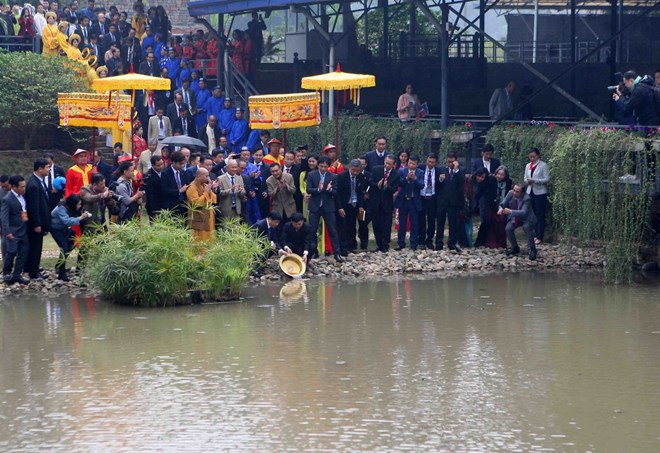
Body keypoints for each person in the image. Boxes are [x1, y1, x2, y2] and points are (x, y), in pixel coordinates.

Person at [306, 156, 343, 261]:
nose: (323, 169)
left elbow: (336, 192)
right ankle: (314, 252)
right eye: (321, 166)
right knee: (312, 230)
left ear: (328, 166)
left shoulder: (333, 176)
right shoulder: (311, 175)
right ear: (318, 165)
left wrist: (329, 190)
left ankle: (337, 253)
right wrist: (318, 189)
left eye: (325, 167)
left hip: (328, 206)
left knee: (332, 230)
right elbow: (309, 189)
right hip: (315, 206)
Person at [50, 194, 91, 281]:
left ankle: (59, 265)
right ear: (73, 203)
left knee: (71, 244)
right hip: (55, 228)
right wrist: (80, 217)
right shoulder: (62, 208)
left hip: (63, 228)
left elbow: (76, 218)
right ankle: (61, 273)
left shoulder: (71, 208)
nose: (79, 206)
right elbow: (66, 221)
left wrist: (83, 215)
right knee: (64, 247)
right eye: (78, 204)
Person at [25, 158, 52, 280]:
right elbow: (33, 207)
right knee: (35, 247)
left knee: (36, 246)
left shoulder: (39, 182)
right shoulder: (34, 184)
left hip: (41, 220)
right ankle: (33, 272)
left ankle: (33, 267)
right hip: (36, 223)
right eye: (47, 167)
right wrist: (36, 224)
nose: (49, 169)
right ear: (40, 169)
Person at [1, 176, 29, 285]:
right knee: (11, 251)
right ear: (13, 187)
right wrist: (7, 232)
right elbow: (4, 217)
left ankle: (17, 274)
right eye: (21, 187)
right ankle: (7, 272)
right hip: (13, 231)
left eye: (24, 186)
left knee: (23, 253)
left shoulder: (23, 196)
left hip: (23, 230)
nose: (24, 188)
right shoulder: (7, 199)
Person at [335, 159, 367, 255]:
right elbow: (337, 193)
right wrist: (340, 207)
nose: (355, 173)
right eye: (353, 170)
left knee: (352, 226)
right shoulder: (341, 176)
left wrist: (361, 206)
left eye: (357, 171)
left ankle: (351, 246)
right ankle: (343, 247)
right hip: (344, 205)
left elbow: (360, 192)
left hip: (354, 204)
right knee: (343, 226)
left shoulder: (360, 177)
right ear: (350, 168)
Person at [369, 155, 400, 253]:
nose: (387, 165)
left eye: (389, 164)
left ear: (393, 165)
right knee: (376, 224)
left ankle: (385, 245)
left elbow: (394, 189)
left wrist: (387, 187)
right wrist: (377, 185)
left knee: (386, 225)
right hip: (376, 202)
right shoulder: (376, 170)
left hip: (387, 203)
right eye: (386, 163)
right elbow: (370, 182)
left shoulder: (396, 174)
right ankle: (379, 244)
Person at [498, 183, 538, 260]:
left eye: (517, 191)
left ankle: (532, 249)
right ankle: (515, 248)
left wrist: (510, 211)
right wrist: (500, 208)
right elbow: (503, 203)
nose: (515, 193)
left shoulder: (527, 198)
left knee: (527, 227)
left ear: (522, 192)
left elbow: (524, 212)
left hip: (526, 218)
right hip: (514, 217)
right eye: (514, 190)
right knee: (508, 228)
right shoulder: (510, 193)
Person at [436, 152, 464, 253]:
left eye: (452, 162)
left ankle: (452, 243)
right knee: (440, 223)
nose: (450, 163)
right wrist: (440, 179)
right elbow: (437, 185)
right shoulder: (441, 169)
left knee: (453, 223)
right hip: (442, 201)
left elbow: (461, 183)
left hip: (454, 202)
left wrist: (456, 170)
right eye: (448, 161)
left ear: (456, 161)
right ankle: (439, 243)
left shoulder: (461, 170)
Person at [394, 155, 424, 250]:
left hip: (414, 201)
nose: (411, 165)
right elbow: (399, 183)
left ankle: (413, 244)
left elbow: (422, 185)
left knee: (414, 223)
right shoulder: (402, 171)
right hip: (403, 200)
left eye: (413, 164)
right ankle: (401, 243)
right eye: (410, 163)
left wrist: (415, 179)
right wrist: (407, 178)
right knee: (402, 223)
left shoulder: (420, 172)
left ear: (417, 164)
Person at [523, 147, 550, 245]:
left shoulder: (543, 165)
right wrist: (528, 181)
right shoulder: (527, 166)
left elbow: (547, 179)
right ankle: (533, 234)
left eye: (534, 156)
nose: (532, 159)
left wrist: (535, 181)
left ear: (538, 156)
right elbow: (525, 178)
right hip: (530, 191)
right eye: (530, 157)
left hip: (540, 193)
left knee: (540, 214)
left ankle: (539, 236)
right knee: (532, 214)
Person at [186, 167, 219, 240]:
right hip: (198, 219)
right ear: (199, 176)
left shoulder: (204, 185)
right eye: (206, 176)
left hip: (208, 217)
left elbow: (214, 200)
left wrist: (211, 188)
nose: (208, 178)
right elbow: (196, 203)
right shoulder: (192, 188)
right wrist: (206, 193)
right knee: (200, 242)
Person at [486, 165, 513, 249]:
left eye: (502, 175)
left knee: (502, 223)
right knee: (492, 223)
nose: (499, 176)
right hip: (493, 204)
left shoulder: (508, 182)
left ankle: (501, 242)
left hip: (503, 205)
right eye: (498, 174)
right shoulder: (491, 180)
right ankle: (491, 242)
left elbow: (509, 195)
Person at [160, 150, 191, 217]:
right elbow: (164, 190)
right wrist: (179, 191)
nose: (182, 166)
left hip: (183, 204)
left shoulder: (184, 173)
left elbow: (188, 185)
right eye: (180, 164)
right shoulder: (165, 173)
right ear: (173, 162)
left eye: (183, 164)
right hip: (171, 205)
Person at [418, 153, 439, 250]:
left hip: (432, 198)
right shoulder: (421, 168)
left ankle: (429, 240)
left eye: (432, 162)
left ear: (435, 163)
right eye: (428, 161)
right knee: (421, 220)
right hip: (422, 197)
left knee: (431, 220)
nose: (430, 164)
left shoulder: (439, 171)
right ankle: (421, 240)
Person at [472, 167, 498, 248]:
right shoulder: (473, 180)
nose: (480, 178)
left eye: (482, 177)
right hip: (477, 200)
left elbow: (492, 194)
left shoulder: (490, 180)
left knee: (486, 220)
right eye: (479, 176)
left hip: (487, 201)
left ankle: (481, 240)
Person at [144, 155, 165, 220]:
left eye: (162, 164)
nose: (161, 167)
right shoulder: (149, 176)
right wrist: (154, 210)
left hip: (164, 205)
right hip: (154, 207)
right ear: (153, 165)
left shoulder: (164, 172)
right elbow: (150, 195)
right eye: (158, 165)